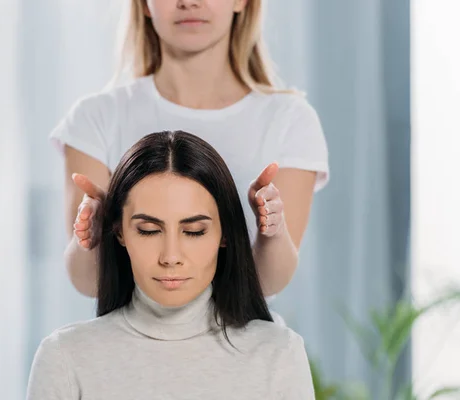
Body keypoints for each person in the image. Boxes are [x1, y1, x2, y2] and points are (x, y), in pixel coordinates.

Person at [54, 0, 329, 299]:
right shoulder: (96, 118)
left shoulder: (290, 119)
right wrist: (93, 239)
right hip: (127, 341)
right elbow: (88, 283)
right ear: (144, 5)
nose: (189, 2)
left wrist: (271, 233)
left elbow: (268, 282)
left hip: (244, 341)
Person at [27, 131, 315, 399]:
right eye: (149, 230)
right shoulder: (65, 358)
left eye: (193, 232)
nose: (170, 256)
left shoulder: (279, 354)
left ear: (224, 234)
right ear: (119, 232)